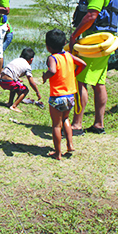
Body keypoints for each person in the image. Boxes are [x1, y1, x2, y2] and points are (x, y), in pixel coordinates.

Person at [69, 0, 118, 135]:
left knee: (80, 80)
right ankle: (99, 123)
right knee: (98, 82)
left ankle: (77, 124)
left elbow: (91, 15)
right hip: (104, 42)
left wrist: (75, 36)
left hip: (94, 42)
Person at [42, 29, 87, 160]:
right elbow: (82, 64)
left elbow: (52, 70)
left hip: (57, 96)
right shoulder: (68, 55)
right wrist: (74, 75)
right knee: (66, 119)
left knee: (56, 124)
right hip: (70, 96)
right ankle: (70, 145)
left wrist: (45, 76)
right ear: (64, 43)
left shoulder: (52, 58)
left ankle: (57, 153)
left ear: (48, 47)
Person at [0, 47, 41, 112]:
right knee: (25, 90)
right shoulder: (27, 66)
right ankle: (14, 106)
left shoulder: (17, 60)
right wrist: (37, 92)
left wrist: (17, 79)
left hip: (1, 80)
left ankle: (10, 103)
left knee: (15, 85)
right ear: (31, 60)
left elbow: (11, 71)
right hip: (9, 82)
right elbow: (31, 82)